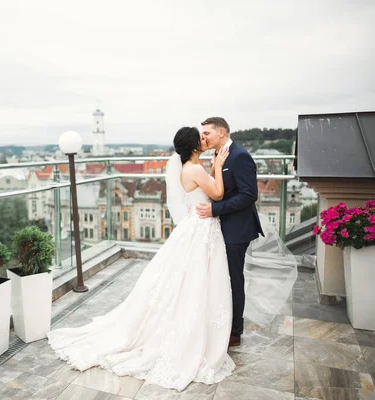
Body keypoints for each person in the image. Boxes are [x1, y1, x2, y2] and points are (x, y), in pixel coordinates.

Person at [47, 126, 236, 391]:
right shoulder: (195, 170)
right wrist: (218, 165)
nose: (205, 140)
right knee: (197, 280)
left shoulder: (188, 168)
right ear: (194, 146)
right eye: (201, 138)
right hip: (201, 228)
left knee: (192, 279)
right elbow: (217, 194)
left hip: (198, 226)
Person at [196, 117, 264, 347]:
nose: (203, 137)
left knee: (234, 279)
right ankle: (221, 324)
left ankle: (235, 332)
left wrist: (214, 209)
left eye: (207, 133)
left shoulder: (239, 156)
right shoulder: (218, 156)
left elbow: (248, 195)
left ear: (222, 131)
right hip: (220, 227)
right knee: (220, 279)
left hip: (237, 228)